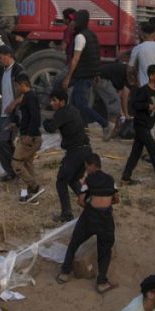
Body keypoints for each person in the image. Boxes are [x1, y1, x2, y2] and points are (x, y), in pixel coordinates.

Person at [56, 153, 118, 294]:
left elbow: (81, 200)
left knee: (74, 243)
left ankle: (64, 273)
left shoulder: (88, 180)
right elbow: (116, 199)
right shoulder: (111, 179)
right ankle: (101, 282)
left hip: (90, 217)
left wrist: (90, 207)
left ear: (92, 165)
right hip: (106, 219)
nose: (86, 170)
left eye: (86, 167)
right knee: (105, 250)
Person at [44, 89, 93, 222]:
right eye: (51, 100)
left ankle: (66, 213)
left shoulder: (62, 112)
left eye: (54, 100)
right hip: (86, 150)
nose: (52, 103)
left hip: (75, 152)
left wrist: (45, 121)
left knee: (61, 181)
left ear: (62, 101)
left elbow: (51, 128)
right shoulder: (72, 109)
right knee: (73, 180)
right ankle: (91, 205)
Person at [121, 65, 155, 188]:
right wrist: (148, 106)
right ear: (151, 76)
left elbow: (154, 105)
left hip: (147, 126)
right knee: (154, 150)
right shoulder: (143, 90)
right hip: (141, 126)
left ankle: (125, 178)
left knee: (135, 154)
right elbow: (135, 105)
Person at [62, 10, 109, 132]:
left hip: (82, 75)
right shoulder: (91, 35)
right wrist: (97, 73)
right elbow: (95, 55)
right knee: (74, 103)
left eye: (75, 20)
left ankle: (105, 124)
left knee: (81, 103)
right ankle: (78, 127)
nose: (73, 23)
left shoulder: (80, 36)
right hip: (88, 74)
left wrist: (68, 78)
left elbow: (75, 59)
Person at [10, 75, 44, 202]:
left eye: (17, 85)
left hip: (31, 138)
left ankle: (33, 186)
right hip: (29, 136)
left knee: (16, 163)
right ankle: (31, 195)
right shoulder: (27, 97)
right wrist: (17, 124)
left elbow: (35, 118)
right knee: (28, 164)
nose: (16, 88)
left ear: (22, 84)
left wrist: (29, 135)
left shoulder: (31, 97)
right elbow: (27, 117)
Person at [0, 46, 25, 180]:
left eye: (0, 57)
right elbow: (7, 91)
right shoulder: (5, 71)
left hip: (12, 114)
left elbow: (26, 92)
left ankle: (15, 170)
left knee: (3, 141)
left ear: (8, 55)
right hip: (4, 113)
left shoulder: (18, 70)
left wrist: (13, 104)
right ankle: (13, 170)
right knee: (1, 143)